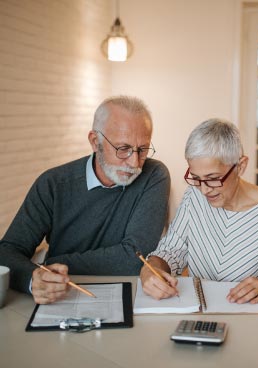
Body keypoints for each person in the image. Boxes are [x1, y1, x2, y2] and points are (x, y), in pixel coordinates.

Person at [0, 95, 170, 304]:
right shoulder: (53, 184)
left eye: (142, 149)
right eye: (123, 148)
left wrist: (53, 263)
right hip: (62, 297)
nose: (135, 162)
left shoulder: (154, 175)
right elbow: (6, 251)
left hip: (131, 297)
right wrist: (34, 278)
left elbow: (135, 257)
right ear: (94, 141)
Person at [140, 118, 258, 304]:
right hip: (199, 312)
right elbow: (171, 250)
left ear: (240, 166)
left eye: (213, 178)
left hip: (249, 315)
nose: (204, 189)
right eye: (196, 178)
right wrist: (150, 268)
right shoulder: (194, 196)